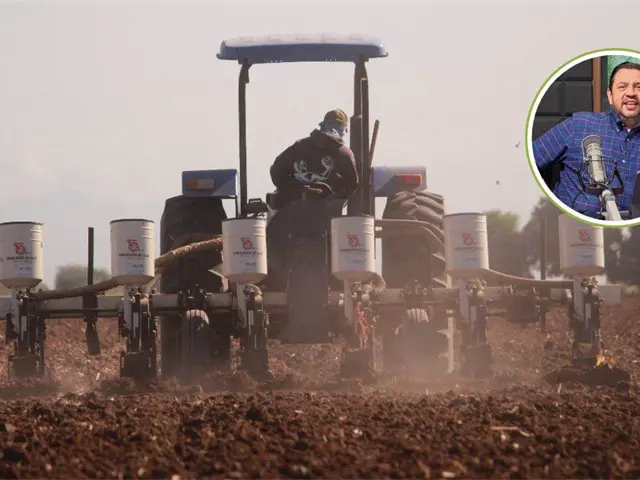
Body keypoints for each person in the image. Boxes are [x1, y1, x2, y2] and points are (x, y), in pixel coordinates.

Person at [533, 61, 640, 218]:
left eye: (638, 87)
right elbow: (529, 162)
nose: (631, 93)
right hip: (570, 226)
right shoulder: (579, 125)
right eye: (622, 87)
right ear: (610, 96)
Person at [269, 108, 359, 201]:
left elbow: (276, 171)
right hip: (327, 208)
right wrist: (333, 199)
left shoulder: (299, 145)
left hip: (292, 206)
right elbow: (352, 186)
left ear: (322, 126)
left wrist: (291, 188)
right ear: (343, 130)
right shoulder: (344, 153)